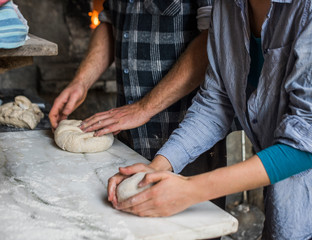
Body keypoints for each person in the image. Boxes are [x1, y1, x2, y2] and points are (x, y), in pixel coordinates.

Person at [107, 0, 312, 239]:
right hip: (283, 195)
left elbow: (306, 144)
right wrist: (158, 167)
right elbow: (216, 102)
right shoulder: (228, 4)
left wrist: (190, 190)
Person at [48, 1, 226, 208]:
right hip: (126, 136)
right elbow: (109, 22)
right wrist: (81, 81)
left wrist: (144, 107)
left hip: (189, 135)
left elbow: (215, 38)